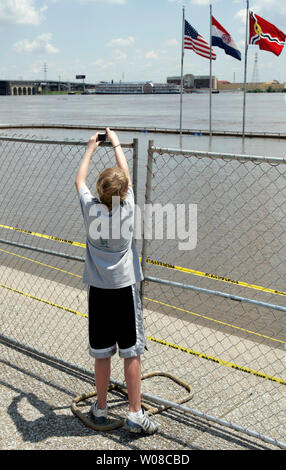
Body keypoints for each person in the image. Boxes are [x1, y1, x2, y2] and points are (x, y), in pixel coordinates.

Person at [75, 127, 158, 434]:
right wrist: (117, 144)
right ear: (124, 194)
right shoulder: (128, 207)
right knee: (131, 351)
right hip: (124, 291)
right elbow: (127, 176)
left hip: (98, 292)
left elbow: (79, 182)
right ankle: (135, 413)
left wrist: (90, 148)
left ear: (99, 192)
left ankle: (100, 407)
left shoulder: (90, 209)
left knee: (101, 352)